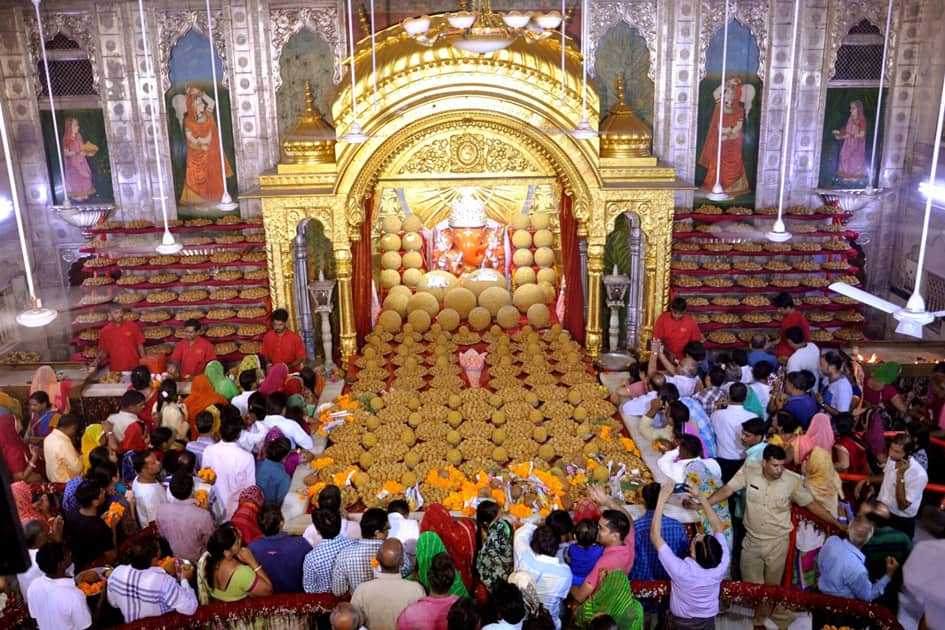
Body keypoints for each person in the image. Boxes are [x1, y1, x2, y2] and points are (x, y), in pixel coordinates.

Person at [705, 445, 845, 629]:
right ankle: (763, 612)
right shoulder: (749, 469)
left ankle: (759, 619)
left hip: (778, 542)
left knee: (771, 586)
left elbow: (811, 505)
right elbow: (727, 490)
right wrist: (703, 503)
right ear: (764, 462)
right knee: (752, 584)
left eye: (781, 465)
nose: (779, 470)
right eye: (774, 465)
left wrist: (837, 524)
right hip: (752, 540)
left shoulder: (792, 481)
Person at [654, 480, 729, 630]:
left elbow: (655, 536)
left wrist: (661, 499)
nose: (697, 534)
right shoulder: (721, 562)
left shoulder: (682, 571)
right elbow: (718, 527)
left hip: (680, 624)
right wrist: (700, 496)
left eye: (695, 539)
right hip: (708, 621)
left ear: (694, 554)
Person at [815, 516, 898, 629]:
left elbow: (819, 564)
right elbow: (867, 596)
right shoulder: (857, 568)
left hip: (818, 601)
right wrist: (888, 575)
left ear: (848, 528)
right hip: (841, 613)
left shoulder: (831, 541)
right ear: (867, 540)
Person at [106, 533, 198, 622]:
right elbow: (190, 608)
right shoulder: (165, 583)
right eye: (158, 549)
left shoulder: (116, 573)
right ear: (154, 559)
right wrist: (185, 580)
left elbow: (113, 603)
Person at [570, 486, 635, 605]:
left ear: (615, 535)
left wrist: (569, 582)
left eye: (601, 528)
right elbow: (629, 520)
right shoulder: (628, 541)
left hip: (600, 606)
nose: (596, 530)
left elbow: (580, 596)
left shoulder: (605, 561)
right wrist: (606, 501)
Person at [855, 434, 928, 538]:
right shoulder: (892, 459)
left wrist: (900, 476)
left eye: (897, 451)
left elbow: (902, 506)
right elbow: (886, 476)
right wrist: (867, 479)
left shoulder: (919, 475)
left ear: (908, 453)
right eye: (891, 449)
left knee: (896, 550)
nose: (891, 453)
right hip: (883, 510)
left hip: (900, 519)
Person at [351, 539, 425, 630]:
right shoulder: (416, 590)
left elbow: (353, 623)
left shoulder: (361, 590)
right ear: (402, 562)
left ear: (377, 558)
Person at [179, 86, 233, 206]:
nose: (202, 104)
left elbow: (212, 102)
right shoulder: (188, 121)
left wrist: (200, 92)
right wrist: (201, 146)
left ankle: (219, 201)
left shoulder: (208, 115)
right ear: (192, 106)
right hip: (198, 156)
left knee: (214, 179)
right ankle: (200, 203)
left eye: (201, 102)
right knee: (198, 181)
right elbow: (191, 139)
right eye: (199, 102)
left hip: (212, 153)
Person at [512, 523, 572, 628]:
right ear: (557, 546)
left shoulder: (524, 556)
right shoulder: (565, 573)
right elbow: (560, 598)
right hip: (549, 623)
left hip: (523, 619)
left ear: (533, 545)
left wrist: (537, 525)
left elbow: (520, 533)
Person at [699, 76, 750, 195]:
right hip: (721, 143)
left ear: (737, 95)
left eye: (733, 94)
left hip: (733, 143)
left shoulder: (739, 110)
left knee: (735, 162)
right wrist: (728, 83)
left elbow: (738, 128)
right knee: (718, 163)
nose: (730, 96)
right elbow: (716, 93)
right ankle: (717, 185)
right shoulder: (719, 107)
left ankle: (733, 187)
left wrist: (728, 133)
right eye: (727, 93)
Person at [198, 523, 273, 603]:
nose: (240, 540)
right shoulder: (242, 573)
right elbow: (268, 591)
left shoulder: (204, 562)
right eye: (237, 543)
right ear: (226, 553)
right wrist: (253, 562)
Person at [248, 502, 313, 594]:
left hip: (268, 598)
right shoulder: (301, 543)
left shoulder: (251, 549)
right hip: (297, 595)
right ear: (281, 523)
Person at [630, 482, 689, 582]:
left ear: (644, 502)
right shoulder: (677, 527)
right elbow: (684, 555)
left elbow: (630, 556)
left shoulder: (636, 527)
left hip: (641, 581)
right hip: (669, 580)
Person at [202, 413, 256, 520]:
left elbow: (205, 480)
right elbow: (250, 489)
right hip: (235, 513)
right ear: (238, 435)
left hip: (212, 508)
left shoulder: (208, 451)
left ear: (219, 432)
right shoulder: (247, 457)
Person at [27, 542, 92, 630]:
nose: (70, 554)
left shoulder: (33, 586)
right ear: (60, 565)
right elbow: (86, 627)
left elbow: (34, 619)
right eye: (66, 554)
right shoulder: (74, 596)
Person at [331, 507, 393, 596]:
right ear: (377, 533)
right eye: (387, 528)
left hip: (357, 606)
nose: (389, 531)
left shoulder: (344, 555)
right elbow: (406, 571)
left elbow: (338, 591)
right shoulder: (393, 551)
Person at [156, 473, 214, 564]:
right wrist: (207, 512)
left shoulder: (161, 511)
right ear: (192, 490)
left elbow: (163, 535)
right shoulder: (202, 515)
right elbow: (211, 542)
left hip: (175, 559)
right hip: (199, 562)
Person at [64, 479, 117, 570]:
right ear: (95, 502)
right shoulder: (100, 527)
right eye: (101, 492)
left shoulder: (71, 513)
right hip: (94, 568)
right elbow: (112, 557)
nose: (104, 491)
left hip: (78, 562)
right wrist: (113, 528)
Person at [303, 508, 357, 593]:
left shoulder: (311, 558)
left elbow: (309, 589)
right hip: (350, 595)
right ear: (340, 526)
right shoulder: (353, 544)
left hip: (325, 599)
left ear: (317, 531)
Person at [710, 383, 755, 482]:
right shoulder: (753, 417)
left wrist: (716, 408)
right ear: (746, 397)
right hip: (744, 459)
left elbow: (711, 431)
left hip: (722, 459)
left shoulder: (717, 415)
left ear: (728, 396)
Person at [476, 499, 514, 593]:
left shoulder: (486, 529)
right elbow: (507, 553)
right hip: (499, 581)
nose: (501, 517)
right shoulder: (499, 528)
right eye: (498, 517)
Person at [96, 303, 145, 372]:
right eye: (116, 313)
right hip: (116, 370)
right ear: (109, 315)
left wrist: (144, 364)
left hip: (134, 367)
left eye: (121, 312)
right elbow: (104, 351)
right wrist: (95, 362)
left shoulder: (133, 326)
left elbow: (140, 346)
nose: (120, 315)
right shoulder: (104, 331)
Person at [832, 100, 869, 183]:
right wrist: (839, 133)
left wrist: (851, 136)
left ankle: (854, 176)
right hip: (848, 144)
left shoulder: (862, 121)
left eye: (853, 108)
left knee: (855, 160)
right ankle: (847, 176)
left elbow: (862, 134)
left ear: (858, 110)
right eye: (850, 108)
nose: (851, 110)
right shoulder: (850, 119)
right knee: (844, 156)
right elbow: (847, 131)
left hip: (857, 146)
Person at [60, 117, 97, 200]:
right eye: (75, 125)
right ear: (70, 127)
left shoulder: (79, 136)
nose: (78, 127)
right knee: (77, 178)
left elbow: (82, 148)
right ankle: (78, 195)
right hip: (73, 164)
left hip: (81, 161)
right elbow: (66, 153)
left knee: (87, 175)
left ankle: (84, 194)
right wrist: (77, 153)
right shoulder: (67, 139)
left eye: (77, 125)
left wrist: (88, 152)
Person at [43, 412, 83, 483]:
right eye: (75, 430)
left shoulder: (48, 438)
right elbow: (77, 468)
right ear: (72, 427)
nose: (74, 433)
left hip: (53, 481)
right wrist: (82, 458)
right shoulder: (63, 443)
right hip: (65, 483)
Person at [131, 449, 167, 529]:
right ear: (143, 470)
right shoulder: (149, 496)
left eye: (156, 459)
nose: (158, 463)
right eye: (153, 463)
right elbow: (155, 524)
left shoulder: (139, 478)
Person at [565, 519, 603, 588]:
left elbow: (568, 560)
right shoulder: (599, 550)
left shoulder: (571, 548)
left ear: (575, 536)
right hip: (588, 580)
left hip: (572, 578)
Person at [772, 294, 810, 359]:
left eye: (780, 309)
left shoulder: (799, 319)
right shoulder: (787, 315)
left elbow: (807, 342)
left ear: (788, 307)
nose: (778, 311)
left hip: (790, 353)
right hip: (783, 347)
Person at [256, 435, 291, 505]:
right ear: (284, 458)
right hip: (270, 508)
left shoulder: (258, 464)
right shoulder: (284, 478)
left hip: (256, 504)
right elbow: (281, 500)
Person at [785, 327, 820, 391]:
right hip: (815, 388)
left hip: (802, 392)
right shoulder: (814, 346)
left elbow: (792, 383)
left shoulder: (794, 359)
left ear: (789, 341)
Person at [154, 378, 188, 442]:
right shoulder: (175, 411)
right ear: (175, 395)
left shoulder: (156, 405)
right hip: (172, 442)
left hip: (161, 440)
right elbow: (181, 435)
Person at [387, 499, 420, 563]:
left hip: (383, 565)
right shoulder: (412, 523)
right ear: (407, 514)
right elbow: (414, 548)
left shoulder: (382, 522)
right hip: (406, 565)